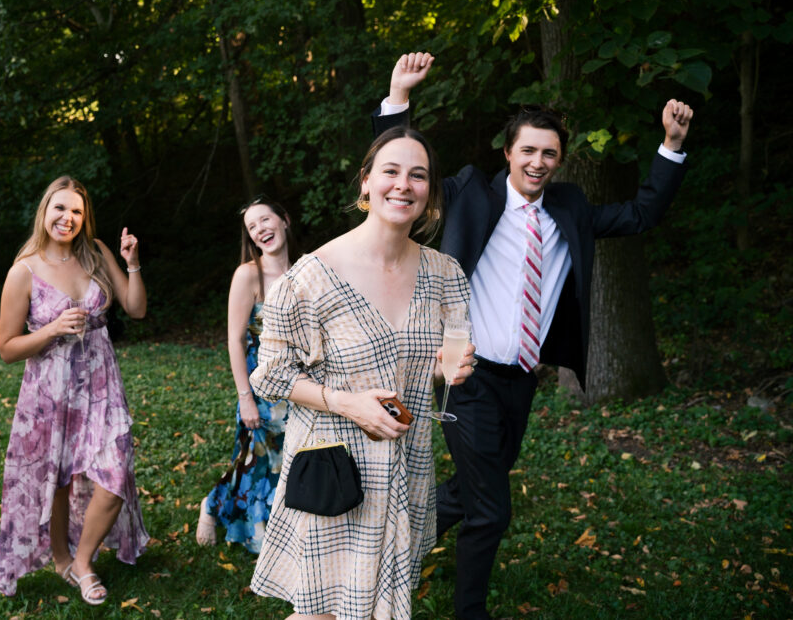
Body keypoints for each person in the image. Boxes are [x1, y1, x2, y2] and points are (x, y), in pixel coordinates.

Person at [372, 51, 695, 620]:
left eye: (550, 153)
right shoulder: (471, 193)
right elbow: (403, 177)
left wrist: (670, 144)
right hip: (466, 378)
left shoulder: (569, 209)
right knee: (491, 512)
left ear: (560, 159)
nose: (539, 162)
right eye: (529, 151)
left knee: (466, 493)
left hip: (522, 382)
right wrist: (398, 100)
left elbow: (642, 214)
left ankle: (383, 536)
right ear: (508, 153)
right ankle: (468, 611)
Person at [248, 127, 478, 620]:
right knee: (321, 613)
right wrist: (347, 402)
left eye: (418, 176)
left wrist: (448, 370)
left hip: (407, 467)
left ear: (430, 194)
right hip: (337, 467)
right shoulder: (311, 275)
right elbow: (268, 377)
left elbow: (445, 360)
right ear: (366, 184)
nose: (403, 184)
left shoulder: (445, 274)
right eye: (390, 171)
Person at [0, 176, 150, 604]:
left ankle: (82, 560)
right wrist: (51, 330)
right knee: (57, 476)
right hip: (50, 387)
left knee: (116, 474)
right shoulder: (23, 271)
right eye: (60, 208)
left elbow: (135, 308)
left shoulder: (96, 252)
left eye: (77, 211)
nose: (68, 218)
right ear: (45, 211)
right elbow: (7, 348)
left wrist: (131, 262)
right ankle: (61, 559)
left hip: (101, 382)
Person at [195, 196, 298, 553]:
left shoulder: (305, 271)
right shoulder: (248, 274)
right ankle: (213, 507)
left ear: (284, 220)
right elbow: (235, 340)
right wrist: (245, 398)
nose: (260, 230)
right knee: (255, 461)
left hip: (299, 387)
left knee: (286, 462)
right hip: (260, 386)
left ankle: (283, 527)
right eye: (252, 227)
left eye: (265, 220)